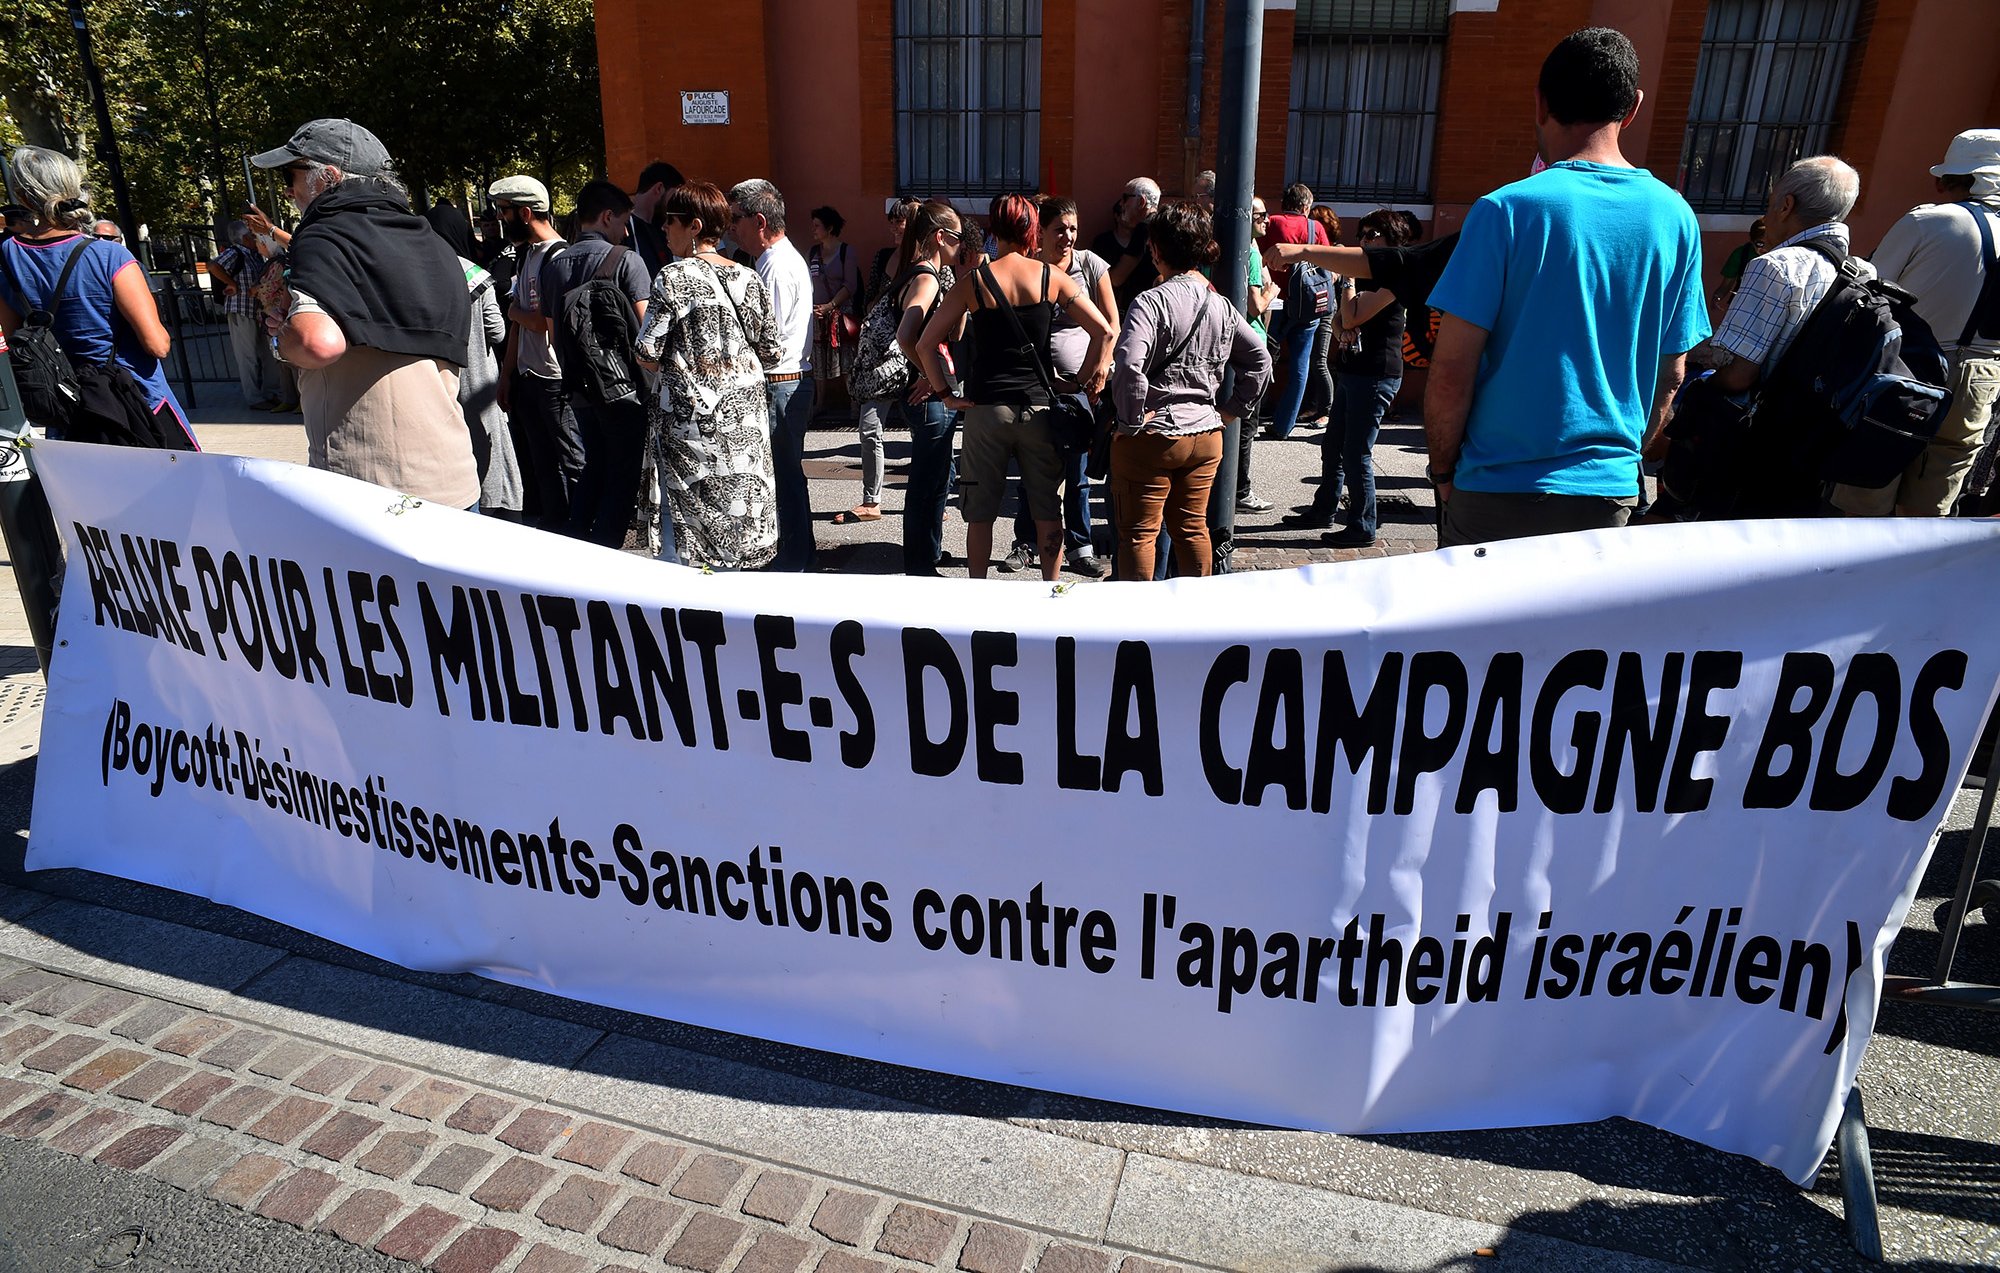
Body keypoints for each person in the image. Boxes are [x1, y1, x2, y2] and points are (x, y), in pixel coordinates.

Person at [1424, 29, 1709, 547]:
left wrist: (1442, 473)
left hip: (1494, 489)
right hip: (1606, 492)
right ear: (1634, 107)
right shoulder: (1676, 218)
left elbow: (1450, 371)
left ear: (1540, 103)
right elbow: (1671, 374)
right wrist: (1623, 460)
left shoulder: (1504, 211)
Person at [253, 121, 476, 506]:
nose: (288, 190)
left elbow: (317, 343)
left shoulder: (323, 235)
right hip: (454, 478)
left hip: (372, 489)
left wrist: (282, 337)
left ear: (329, 177)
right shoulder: (433, 243)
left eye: (291, 175)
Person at [916, 194, 1113, 580]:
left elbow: (925, 344)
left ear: (994, 229)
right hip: (1039, 410)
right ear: (1032, 229)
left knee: (980, 515)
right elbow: (1104, 331)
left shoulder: (974, 282)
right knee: (1047, 511)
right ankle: (1051, 590)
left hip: (986, 410)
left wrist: (946, 395)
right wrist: (1077, 382)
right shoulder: (1050, 277)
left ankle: (979, 591)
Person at [1836, 129, 2000, 517]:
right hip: (1981, 375)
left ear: (1958, 178)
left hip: (1909, 365)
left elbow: (1870, 289)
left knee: (1869, 479)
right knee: (1937, 494)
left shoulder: (1929, 220)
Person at [1110, 201, 1273, 580]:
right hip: (1205, 434)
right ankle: (1196, 610)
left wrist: (1130, 421)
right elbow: (1261, 360)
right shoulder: (1221, 306)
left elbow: (1130, 366)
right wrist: (1230, 411)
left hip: (1154, 435)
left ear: (1155, 249)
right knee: (1192, 528)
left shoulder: (1150, 302)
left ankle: (1137, 616)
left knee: (1139, 535)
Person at [1697, 156, 1864, 518]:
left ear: (1786, 205)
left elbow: (1738, 375)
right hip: (1814, 444)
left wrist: (1704, 380)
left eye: (1771, 203)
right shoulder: (1862, 272)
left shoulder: (1775, 266)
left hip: (1755, 446)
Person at [632, 181, 782, 570]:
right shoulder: (749, 277)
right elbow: (772, 351)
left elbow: (647, 351)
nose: (664, 228)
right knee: (740, 511)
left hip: (690, 423)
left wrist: (685, 365)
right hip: (745, 417)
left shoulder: (673, 277)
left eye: (671, 221)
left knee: (689, 520)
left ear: (694, 226)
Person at [0, 146, 191, 444]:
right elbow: (157, 345)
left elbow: (18, 341)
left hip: (68, 413)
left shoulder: (6, 258)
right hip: (136, 407)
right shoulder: (110, 255)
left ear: (23, 197)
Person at [1001, 194, 1116, 578]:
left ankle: (1080, 548)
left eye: (1073, 229)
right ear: (1041, 232)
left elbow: (1111, 325)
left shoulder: (1090, 265)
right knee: (1031, 470)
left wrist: (1096, 373)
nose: (1067, 236)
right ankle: (1026, 542)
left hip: (1082, 390)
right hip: (1036, 388)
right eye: (1059, 229)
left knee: (1077, 474)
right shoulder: (1030, 267)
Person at [539, 180, 654, 548]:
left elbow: (553, 334)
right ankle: (605, 551)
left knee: (594, 466)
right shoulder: (626, 260)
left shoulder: (553, 267)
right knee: (622, 476)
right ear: (607, 216)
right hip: (624, 391)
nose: (626, 232)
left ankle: (577, 542)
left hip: (579, 389)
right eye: (623, 222)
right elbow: (647, 332)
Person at [729, 179, 817, 571]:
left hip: (780, 381)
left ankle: (793, 560)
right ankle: (798, 555)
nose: (732, 227)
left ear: (759, 221)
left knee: (782, 477)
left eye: (736, 219)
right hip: (785, 380)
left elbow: (768, 340)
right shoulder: (773, 261)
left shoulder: (776, 267)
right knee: (785, 475)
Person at [1316, 209, 1416, 548]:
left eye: (1372, 235)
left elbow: (1352, 315)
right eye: (1361, 234)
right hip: (1353, 369)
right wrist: (1343, 327)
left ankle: (1362, 525)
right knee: (1333, 445)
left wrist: (1347, 281)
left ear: (1392, 239)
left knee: (1356, 452)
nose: (1363, 241)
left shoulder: (1396, 277)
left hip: (1376, 374)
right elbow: (1340, 322)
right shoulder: (1368, 275)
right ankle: (1323, 509)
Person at [490, 174, 583, 531]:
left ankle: (583, 527)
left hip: (553, 377)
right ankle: (554, 524)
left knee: (571, 458)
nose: (501, 218)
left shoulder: (559, 258)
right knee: (541, 460)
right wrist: (507, 374)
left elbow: (542, 321)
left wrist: (514, 312)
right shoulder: (526, 255)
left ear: (525, 213)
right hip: (527, 375)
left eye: (505, 211)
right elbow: (519, 323)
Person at [427, 203, 524, 520]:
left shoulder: (421, 273)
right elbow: (497, 331)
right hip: (478, 379)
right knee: (488, 452)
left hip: (436, 380)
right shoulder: (475, 275)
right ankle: (495, 508)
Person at [884, 200, 966, 577]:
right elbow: (907, 337)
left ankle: (928, 552)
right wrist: (933, 378)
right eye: (958, 237)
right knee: (926, 481)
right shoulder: (926, 278)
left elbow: (951, 334)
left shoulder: (926, 274)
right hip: (929, 396)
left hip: (930, 391)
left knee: (936, 478)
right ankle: (918, 565)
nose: (962, 245)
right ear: (940, 237)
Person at [1259, 182, 1330, 441]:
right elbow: (1327, 260)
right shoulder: (1315, 228)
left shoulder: (1273, 223)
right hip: (1307, 305)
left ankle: (1252, 412)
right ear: (1306, 206)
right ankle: (1284, 425)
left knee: (1261, 357)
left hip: (1275, 301)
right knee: (1300, 365)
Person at [214, 219, 288, 411]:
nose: (255, 239)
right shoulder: (235, 252)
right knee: (247, 356)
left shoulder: (254, 255)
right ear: (245, 238)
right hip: (240, 309)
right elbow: (213, 266)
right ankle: (254, 397)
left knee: (266, 353)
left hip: (255, 311)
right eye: (252, 235)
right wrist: (232, 284)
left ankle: (270, 392)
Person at [1092, 178, 1161, 318]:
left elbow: (1117, 278)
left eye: (1125, 198)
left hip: (1145, 310)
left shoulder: (1143, 229)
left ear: (1141, 201)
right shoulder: (1164, 223)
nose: (1121, 204)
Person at [627, 160, 683, 277]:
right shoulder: (624, 228)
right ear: (659, 188)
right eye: (674, 196)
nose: (678, 203)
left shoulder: (666, 227)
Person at [866, 199, 920, 312]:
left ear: (914, 223)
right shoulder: (882, 257)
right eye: (891, 222)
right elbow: (868, 297)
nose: (893, 228)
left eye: (899, 221)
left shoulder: (931, 260)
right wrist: (873, 308)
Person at [1714, 217, 1767, 313]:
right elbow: (1727, 284)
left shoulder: (1782, 254)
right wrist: (1717, 297)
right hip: (1744, 302)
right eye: (1760, 244)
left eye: (1769, 243)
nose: (1765, 248)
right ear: (1752, 242)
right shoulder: (1742, 254)